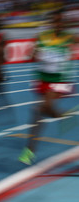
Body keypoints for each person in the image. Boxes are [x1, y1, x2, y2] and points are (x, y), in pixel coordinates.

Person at [18, 9, 76, 165]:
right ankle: (30, 151)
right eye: (55, 21)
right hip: (43, 80)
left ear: (64, 23)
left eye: (60, 21)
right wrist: (35, 52)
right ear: (51, 23)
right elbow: (30, 57)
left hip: (61, 81)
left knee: (40, 108)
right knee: (38, 115)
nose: (57, 24)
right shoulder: (42, 37)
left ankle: (67, 119)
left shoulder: (70, 37)